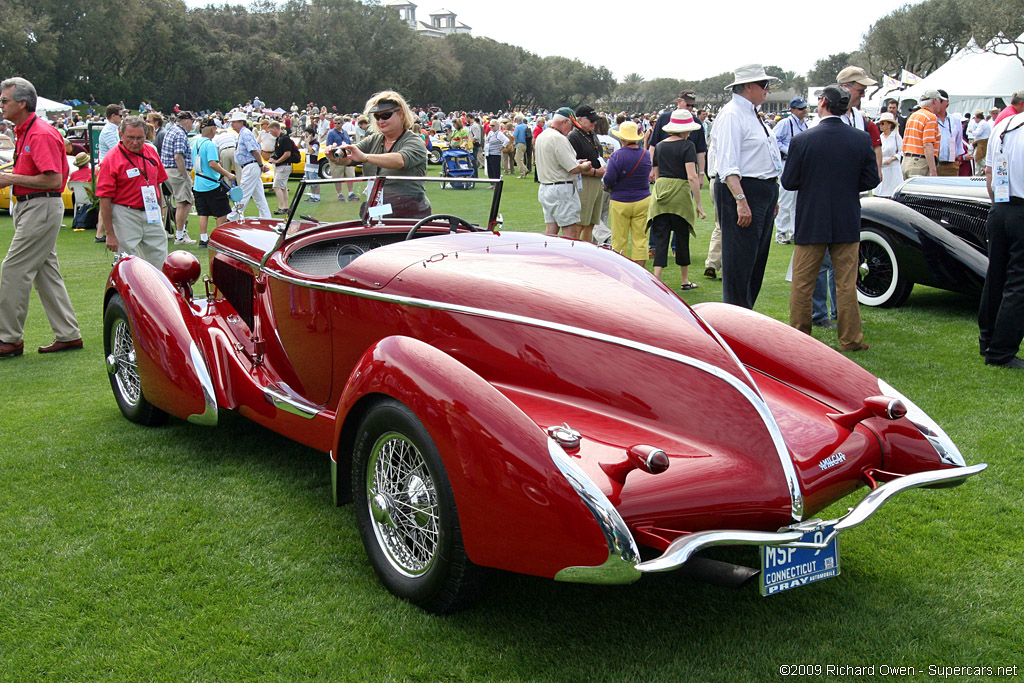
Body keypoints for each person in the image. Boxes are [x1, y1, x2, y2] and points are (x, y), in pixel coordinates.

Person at [781, 85, 880, 353]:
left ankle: (800, 338)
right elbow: (872, 179)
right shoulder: (859, 139)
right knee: (846, 283)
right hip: (846, 218)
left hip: (812, 219)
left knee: (803, 283)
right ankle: (851, 340)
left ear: (823, 102)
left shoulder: (803, 140)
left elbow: (789, 182)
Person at [0, 77, 82, 358]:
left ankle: (8, 338)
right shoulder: (25, 132)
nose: (1, 105)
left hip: (41, 206)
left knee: (13, 270)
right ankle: (69, 334)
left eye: (4, 100)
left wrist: (8, 178)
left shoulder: (40, 133)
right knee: (46, 273)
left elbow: (53, 180)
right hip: (32, 207)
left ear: (21, 103)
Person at [709, 64, 783, 309]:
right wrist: (741, 200)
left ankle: (745, 314)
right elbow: (728, 163)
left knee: (755, 262)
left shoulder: (750, 113)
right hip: (743, 189)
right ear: (748, 86)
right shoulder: (732, 114)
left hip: (760, 190)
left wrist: (773, 197)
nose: (767, 89)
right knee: (740, 263)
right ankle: (736, 318)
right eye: (763, 85)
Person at [329, 90, 430, 218]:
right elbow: (350, 157)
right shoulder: (374, 139)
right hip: (381, 209)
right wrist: (336, 156)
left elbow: (400, 160)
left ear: (401, 114)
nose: (380, 120)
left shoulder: (415, 141)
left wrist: (365, 157)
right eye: (377, 117)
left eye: (386, 115)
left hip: (409, 212)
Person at [978, 108, 1024, 368]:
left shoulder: (1003, 126)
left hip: (1001, 208)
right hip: (1018, 210)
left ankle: (988, 340)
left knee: (995, 276)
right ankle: (1002, 350)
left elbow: (989, 174)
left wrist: (997, 204)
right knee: (1018, 284)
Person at [95, 115, 169, 267]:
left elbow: (157, 184)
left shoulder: (151, 152)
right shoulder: (111, 159)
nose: (135, 143)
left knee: (160, 258)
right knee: (127, 262)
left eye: (140, 138)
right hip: (125, 213)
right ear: (121, 135)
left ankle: (158, 289)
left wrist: (160, 211)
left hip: (151, 210)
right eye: (130, 137)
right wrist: (109, 234)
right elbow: (104, 198)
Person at [646, 110, 706, 289]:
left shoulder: (660, 145)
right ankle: (684, 280)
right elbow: (692, 176)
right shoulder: (688, 146)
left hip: (660, 194)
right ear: (686, 129)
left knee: (660, 237)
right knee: (681, 237)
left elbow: (656, 174)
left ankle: (657, 279)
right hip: (680, 194)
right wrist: (699, 203)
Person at [533, 107, 592, 238]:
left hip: (545, 188)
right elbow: (573, 169)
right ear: (565, 122)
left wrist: (576, 162)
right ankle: (568, 258)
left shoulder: (542, 135)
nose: (571, 129)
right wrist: (585, 166)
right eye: (571, 125)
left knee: (551, 229)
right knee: (570, 231)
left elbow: (556, 161)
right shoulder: (559, 138)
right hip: (561, 189)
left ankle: (549, 256)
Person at [603, 121, 652, 264]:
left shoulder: (617, 156)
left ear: (622, 139)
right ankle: (640, 272)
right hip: (642, 199)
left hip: (620, 200)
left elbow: (610, 178)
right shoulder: (646, 154)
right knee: (641, 239)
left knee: (619, 239)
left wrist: (607, 185)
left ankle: (620, 270)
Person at [192, 117, 236, 246]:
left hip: (199, 183)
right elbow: (212, 163)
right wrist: (228, 174)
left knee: (203, 212)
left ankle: (203, 238)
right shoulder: (210, 144)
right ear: (212, 129)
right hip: (211, 184)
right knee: (221, 212)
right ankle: (219, 238)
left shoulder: (196, 143)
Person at [772, 97, 809, 244]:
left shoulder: (805, 125)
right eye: (800, 108)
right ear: (792, 110)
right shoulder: (785, 123)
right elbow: (774, 139)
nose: (803, 111)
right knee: (785, 199)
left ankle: (795, 231)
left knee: (799, 200)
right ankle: (781, 232)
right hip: (787, 162)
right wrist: (789, 150)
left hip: (801, 164)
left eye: (804, 108)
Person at [837, 66, 883, 180]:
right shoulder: (826, 117)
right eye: (860, 91)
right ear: (845, 87)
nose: (863, 95)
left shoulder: (857, 116)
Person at [568, 105, 605, 244]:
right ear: (580, 120)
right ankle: (573, 254)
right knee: (580, 223)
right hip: (584, 181)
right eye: (591, 120)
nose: (594, 123)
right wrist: (595, 172)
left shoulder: (591, 134)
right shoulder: (574, 137)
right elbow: (573, 164)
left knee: (591, 223)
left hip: (597, 181)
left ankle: (586, 252)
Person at [160, 110, 197, 244]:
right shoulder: (180, 134)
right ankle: (180, 235)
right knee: (184, 202)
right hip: (176, 171)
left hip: (167, 171)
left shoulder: (171, 130)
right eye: (192, 122)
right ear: (187, 121)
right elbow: (178, 156)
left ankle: (179, 233)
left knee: (186, 201)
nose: (192, 125)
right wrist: (184, 174)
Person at [227, 111, 271, 220]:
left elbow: (255, 151)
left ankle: (232, 217)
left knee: (244, 193)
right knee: (259, 196)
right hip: (251, 166)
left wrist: (261, 165)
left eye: (234, 122)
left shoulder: (245, 133)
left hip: (250, 166)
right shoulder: (243, 134)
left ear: (241, 122)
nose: (232, 124)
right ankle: (266, 218)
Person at [902, 90, 943, 178]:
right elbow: (928, 144)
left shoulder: (914, 116)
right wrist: (933, 170)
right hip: (920, 163)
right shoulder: (930, 117)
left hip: (907, 161)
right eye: (940, 101)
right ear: (935, 101)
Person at [267, 121, 296, 215]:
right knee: (283, 187)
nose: (270, 133)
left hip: (284, 166)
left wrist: (277, 161)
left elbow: (287, 153)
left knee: (276, 187)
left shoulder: (285, 138)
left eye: (271, 131)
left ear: (275, 129)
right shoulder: (279, 139)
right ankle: (285, 207)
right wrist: (273, 158)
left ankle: (282, 207)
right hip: (281, 166)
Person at [327, 115, 357, 201]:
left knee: (350, 175)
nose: (336, 124)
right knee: (337, 176)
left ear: (342, 123)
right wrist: (333, 157)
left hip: (346, 156)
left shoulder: (345, 132)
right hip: (337, 157)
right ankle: (339, 194)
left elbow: (349, 144)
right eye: (335, 123)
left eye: (338, 123)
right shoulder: (331, 133)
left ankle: (350, 193)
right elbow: (328, 146)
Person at [876, 112, 903, 197]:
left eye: (883, 123)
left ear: (889, 125)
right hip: (883, 168)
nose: (881, 125)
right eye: (880, 123)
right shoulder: (880, 137)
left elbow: (901, 151)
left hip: (893, 169)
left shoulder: (896, 137)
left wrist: (892, 159)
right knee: (879, 192)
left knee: (892, 193)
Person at [968, 110, 991, 175]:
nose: (974, 119)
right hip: (980, 143)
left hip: (982, 143)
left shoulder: (982, 124)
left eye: (975, 117)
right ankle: (977, 174)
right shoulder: (983, 123)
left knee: (978, 158)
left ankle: (988, 168)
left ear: (978, 117)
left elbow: (978, 133)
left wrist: (972, 131)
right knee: (977, 159)